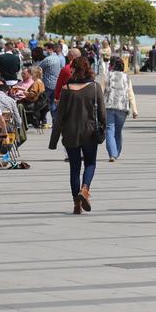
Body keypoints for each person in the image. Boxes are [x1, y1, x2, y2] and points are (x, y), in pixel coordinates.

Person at [50, 57, 105, 215]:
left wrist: (53, 141)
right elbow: (102, 113)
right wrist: (103, 131)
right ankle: (85, 189)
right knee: (90, 163)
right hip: (89, 132)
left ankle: (76, 204)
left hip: (70, 133)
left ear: (74, 69)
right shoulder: (95, 87)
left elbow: (59, 117)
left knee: (74, 168)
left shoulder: (66, 89)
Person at [104, 57, 137, 161]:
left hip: (109, 106)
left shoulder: (107, 75)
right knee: (117, 131)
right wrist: (135, 110)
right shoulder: (126, 77)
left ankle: (112, 154)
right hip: (122, 107)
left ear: (112, 66)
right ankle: (116, 153)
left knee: (109, 130)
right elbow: (130, 94)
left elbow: (101, 92)